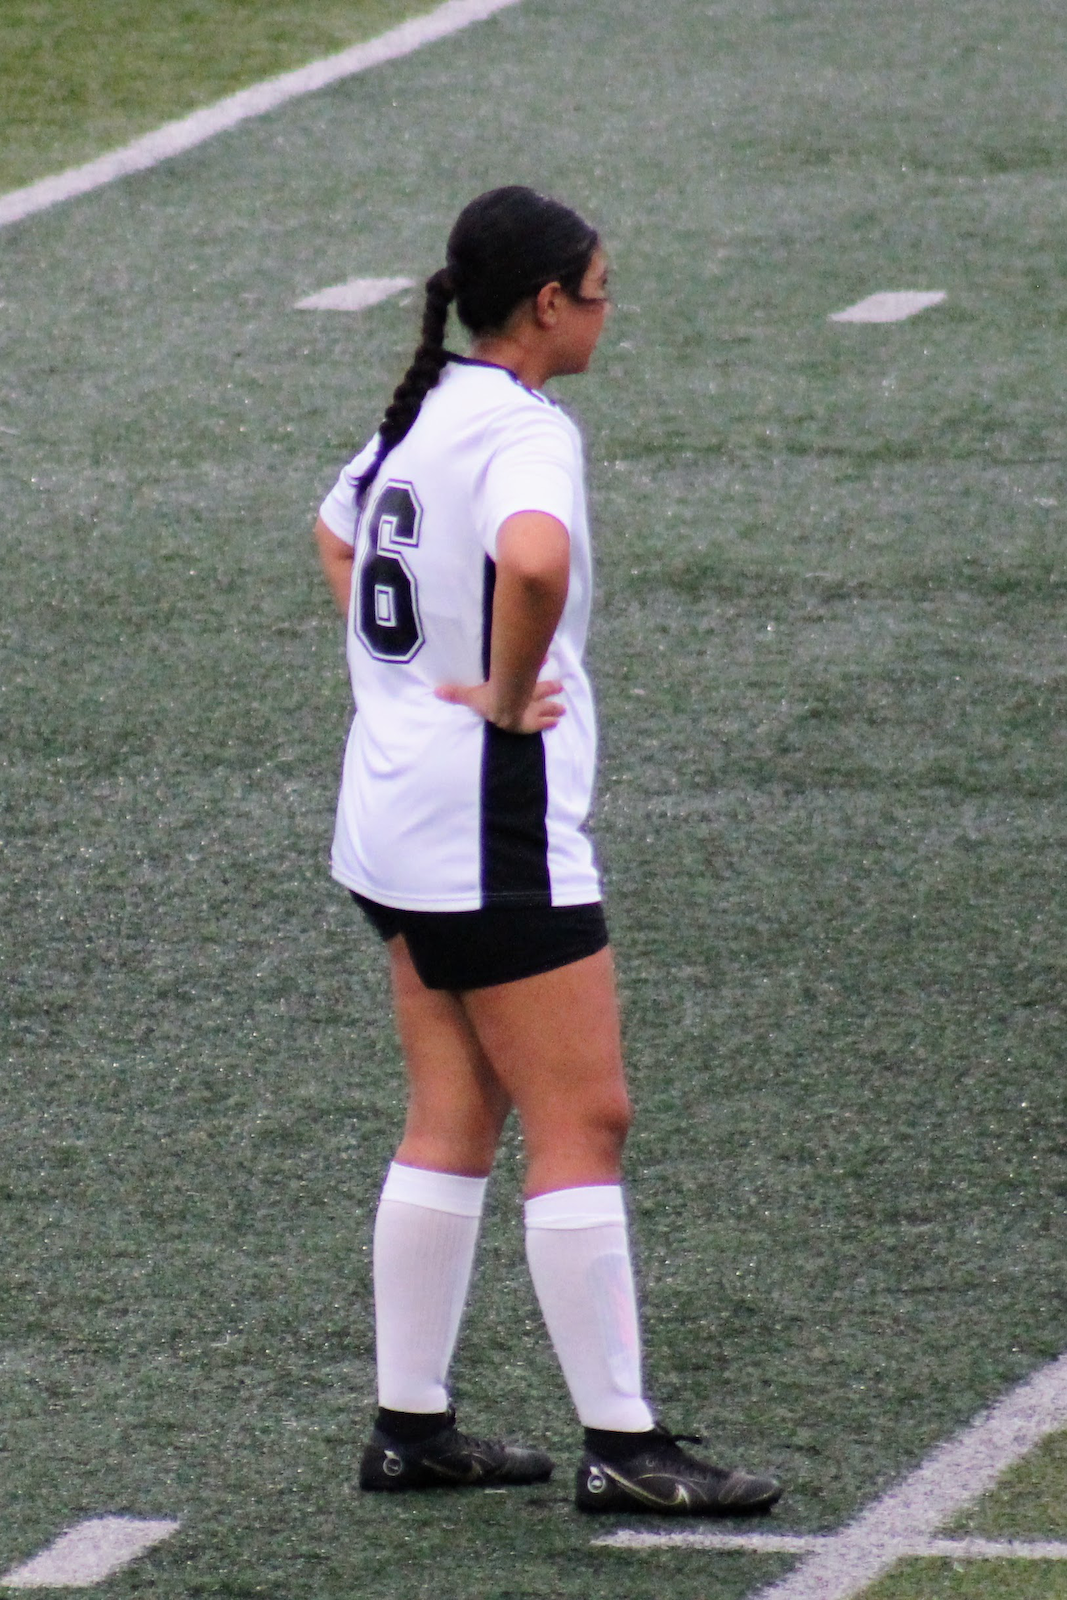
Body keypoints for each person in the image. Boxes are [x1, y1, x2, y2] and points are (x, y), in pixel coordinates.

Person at [314, 186, 780, 1516]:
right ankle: (624, 1445)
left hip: (392, 817)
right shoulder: (524, 429)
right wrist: (505, 693)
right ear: (546, 304)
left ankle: (411, 1426)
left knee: (455, 1109)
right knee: (587, 1115)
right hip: (488, 829)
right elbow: (531, 563)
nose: (607, 312)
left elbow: (336, 532)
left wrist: (405, 681)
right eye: (601, 290)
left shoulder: (423, 409)